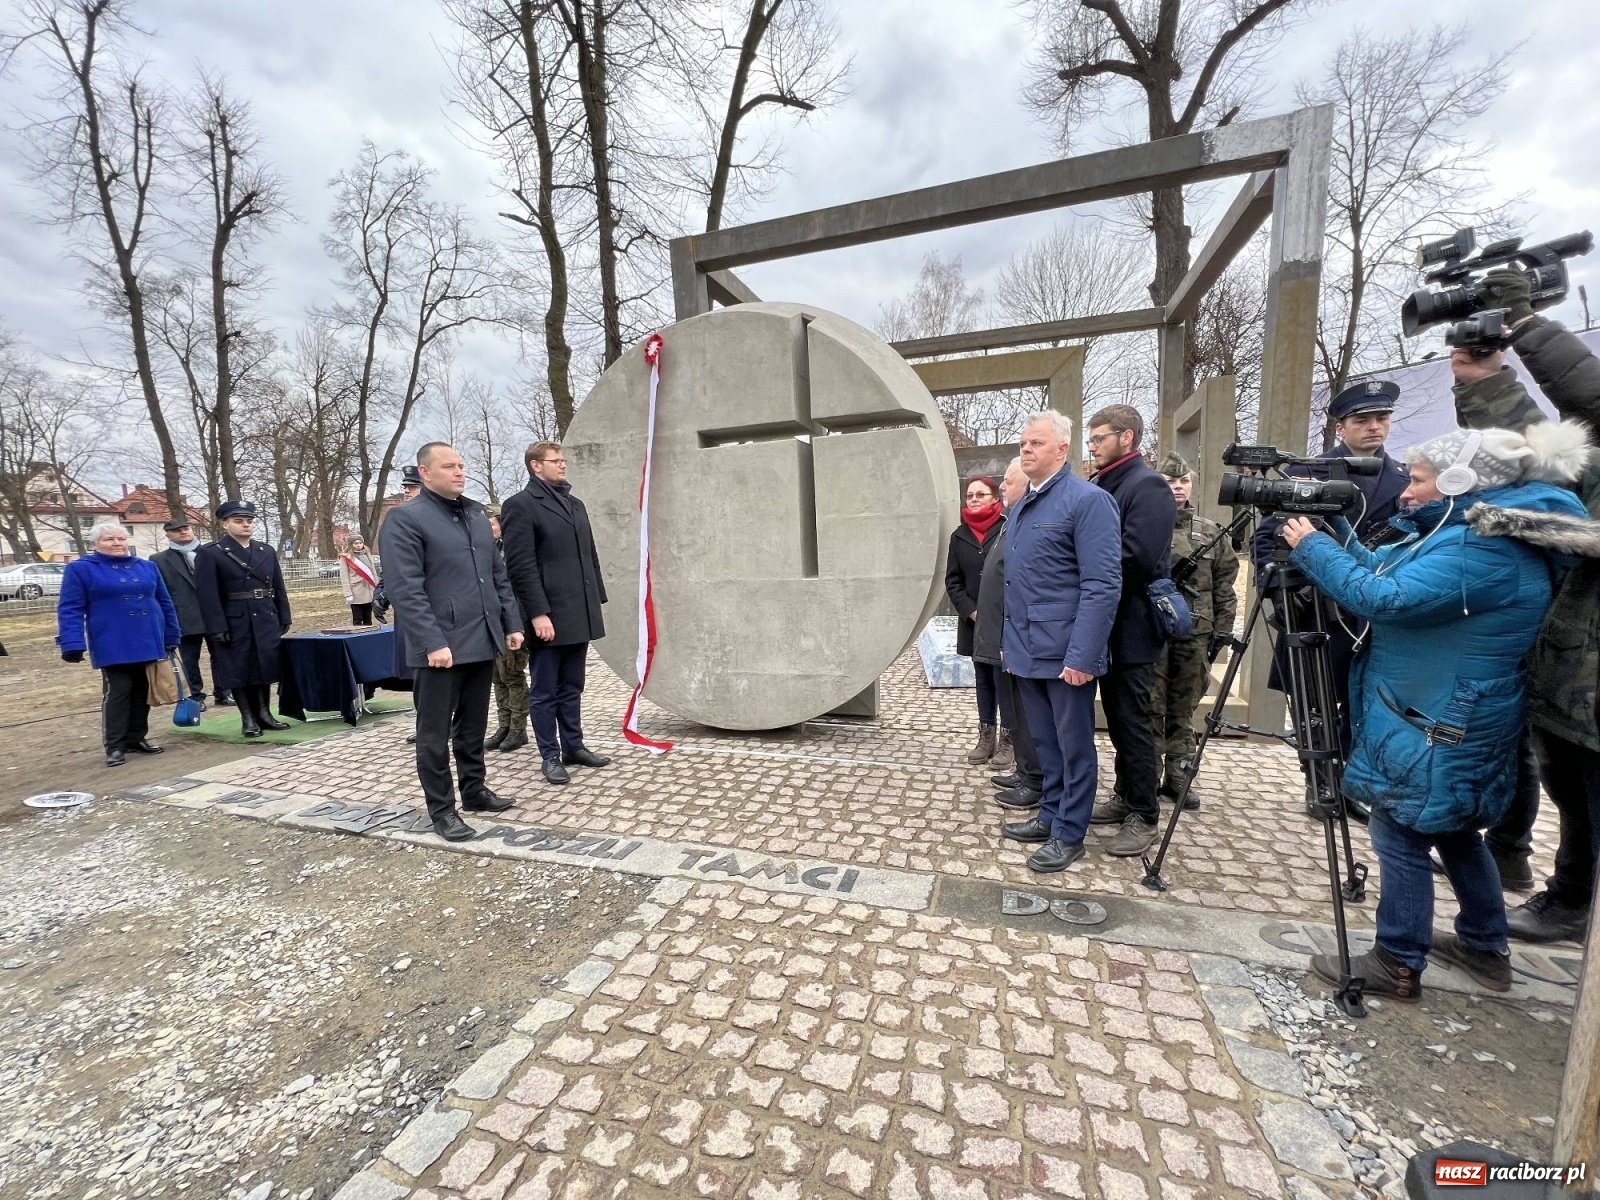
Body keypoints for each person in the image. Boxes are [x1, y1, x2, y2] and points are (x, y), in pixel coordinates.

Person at [1282, 420, 1594, 999]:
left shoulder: (1483, 550)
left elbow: (1384, 598)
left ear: (1459, 482)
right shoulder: (1468, 536)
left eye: (1420, 479)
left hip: (1439, 720)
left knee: (1397, 828)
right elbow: (1387, 571)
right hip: (1441, 711)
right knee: (1453, 830)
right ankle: (1483, 945)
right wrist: (1340, 532)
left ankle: (1397, 962)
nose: (1407, 489)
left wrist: (1312, 547)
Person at [1451, 269, 1600, 940]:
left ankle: (1571, 899)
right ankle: (1561, 890)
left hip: (1581, 661)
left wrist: (1529, 326)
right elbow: (1549, 461)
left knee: (1585, 787)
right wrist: (1486, 382)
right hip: (1572, 659)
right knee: (1568, 776)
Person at [1253, 381, 1410, 819]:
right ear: (1341, 426)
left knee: (1359, 700)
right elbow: (1266, 539)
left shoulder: (1403, 479)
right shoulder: (1309, 472)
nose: (1374, 427)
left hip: (1374, 613)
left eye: (1381, 419)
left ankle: (1348, 781)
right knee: (1312, 702)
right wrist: (1282, 597)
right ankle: (1320, 784)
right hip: (1317, 608)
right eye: (1362, 420)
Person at [381, 443, 525, 840]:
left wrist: (510, 622)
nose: (459, 472)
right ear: (425, 473)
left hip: (481, 638)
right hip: (440, 647)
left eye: (461, 465)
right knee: (434, 732)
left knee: (473, 724)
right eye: (448, 466)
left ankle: (474, 790)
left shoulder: (476, 515)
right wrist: (431, 641)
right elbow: (405, 588)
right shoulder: (406, 520)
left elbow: (497, 576)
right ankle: (442, 809)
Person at [1000, 412, 1122, 873]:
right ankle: (1049, 814)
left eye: (1036, 442)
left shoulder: (1087, 501)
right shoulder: (1025, 504)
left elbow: (1102, 583)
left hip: (1065, 651)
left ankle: (1070, 833)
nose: (1026, 449)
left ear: (1062, 450)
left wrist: (1083, 655)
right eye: (1022, 443)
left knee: (1073, 747)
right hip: (1028, 649)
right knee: (1044, 743)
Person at [1080, 404, 1177, 859]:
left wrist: (1078, 569)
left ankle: (1144, 812)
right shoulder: (1104, 483)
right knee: (1117, 721)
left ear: (1126, 437)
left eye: (1099, 438)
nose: (1092, 446)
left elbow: (1138, 557)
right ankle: (1124, 795)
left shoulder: (1147, 485)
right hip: (1107, 623)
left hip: (1134, 627)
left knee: (1135, 722)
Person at [502, 440, 612, 785]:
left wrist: (596, 601)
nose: (563, 465)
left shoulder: (574, 504)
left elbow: (588, 556)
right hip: (548, 614)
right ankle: (549, 755)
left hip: (578, 609)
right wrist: (537, 613)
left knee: (573, 685)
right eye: (555, 460)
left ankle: (573, 746)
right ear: (536, 466)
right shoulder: (520, 506)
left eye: (563, 460)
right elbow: (521, 566)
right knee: (545, 688)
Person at [1149, 453, 1238, 809]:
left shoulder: (1211, 532)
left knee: (1183, 708)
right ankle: (1146, 776)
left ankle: (1178, 775)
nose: (1177, 488)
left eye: (1183, 481)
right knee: (1151, 706)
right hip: (1155, 632)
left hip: (1195, 634)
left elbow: (1223, 588)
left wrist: (1222, 632)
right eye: (1170, 482)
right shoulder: (1147, 527)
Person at [57, 521, 182, 766]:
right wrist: (71, 642)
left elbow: (164, 602)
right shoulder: (82, 569)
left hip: (148, 635)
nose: (116, 543)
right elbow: (70, 607)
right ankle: (115, 745)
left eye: (120, 539)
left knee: (143, 690)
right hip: (112, 639)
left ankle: (137, 737)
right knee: (119, 691)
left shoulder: (146, 566)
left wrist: (171, 634)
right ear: (96, 544)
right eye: (109, 539)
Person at [976, 459, 1044, 811]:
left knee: (1028, 711)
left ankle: (1034, 778)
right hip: (1002, 636)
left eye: (1007, 482)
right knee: (1015, 707)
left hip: (1017, 637)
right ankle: (1026, 771)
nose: (1001, 487)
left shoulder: (1028, 522)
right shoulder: (1011, 521)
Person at [195, 500, 293, 739]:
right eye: (239, 521)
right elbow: (207, 595)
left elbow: (278, 586)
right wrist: (216, 626)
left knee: (265, 667)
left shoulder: (265, 550)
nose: (245, 525)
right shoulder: (211, 553)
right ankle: (248, 718)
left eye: (249, 521)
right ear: (225, 523)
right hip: (235, 618)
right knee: (239, 668)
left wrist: (284, 615)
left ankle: (265, 714)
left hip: (265, 615)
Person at [946, 474, 1013, 770]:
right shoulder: (959, 536)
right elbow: (953, 580)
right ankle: (985, 736)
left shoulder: (1007, 529)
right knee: (983, 680)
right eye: (970, 495)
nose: (973, 499)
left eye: (980, 495)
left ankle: (1009, 739)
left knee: (1004, 681)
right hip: (974, 622)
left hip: (1003, 622)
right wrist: (971, 610)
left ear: (995, 498)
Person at [152, 517, 231, 709]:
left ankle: (224, 693)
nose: (183, 532)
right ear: (168, 535)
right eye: (177, 530)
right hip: (184, 617)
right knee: (189, 660)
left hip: (215, 614)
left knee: (222, 656)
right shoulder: (159, 560)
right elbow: (160, 592)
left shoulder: (212, 552)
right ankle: (197, 696)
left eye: (186, 528)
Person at [484, 504, 531, 754]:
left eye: (492, 523)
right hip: (491, 625)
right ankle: (503, 725)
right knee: (497, 677)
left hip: (511, 623)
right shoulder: (488, 550)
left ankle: (517, 728)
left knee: (512, 675)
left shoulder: (514, 551)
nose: (488, 528)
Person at [339, 536, 379, 626]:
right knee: (357, 619)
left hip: (369, 590)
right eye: (356, 543)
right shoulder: (346, 558)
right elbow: (344, 577)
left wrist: (377, 588)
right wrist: (348, 594)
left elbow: (373, 573)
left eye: (360, 543)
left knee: (368, 618)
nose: (358, 545)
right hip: (356, 591)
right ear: (351, 545)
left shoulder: (367, 555)